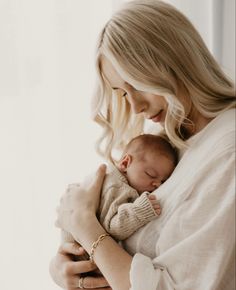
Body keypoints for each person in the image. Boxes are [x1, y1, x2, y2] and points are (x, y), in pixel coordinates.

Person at [50, 1, 236, 289]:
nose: (134, 106)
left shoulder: (227, 152)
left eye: (136, 84)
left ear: (175, 61)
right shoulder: (165, 138)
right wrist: (64, 266)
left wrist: (84, 225)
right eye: (122, 93)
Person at [61, 133, 177, 247]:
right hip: (81, 250)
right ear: (125, 163)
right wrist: (140, 210)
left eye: (163, 181)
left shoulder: (113, 179)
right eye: (151, 174)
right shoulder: (117, 187)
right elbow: (112, 228)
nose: (157, 184)